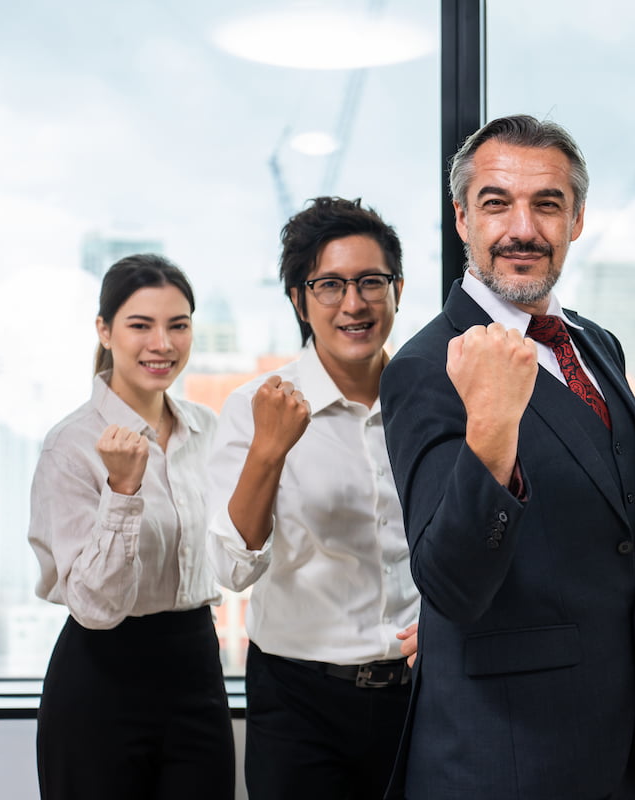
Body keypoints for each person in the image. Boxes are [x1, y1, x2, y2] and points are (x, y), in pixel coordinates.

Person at [379, 114, 635, 800]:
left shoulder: (596, 344)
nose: (522, 229)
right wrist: (492, 427)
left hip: (621, 737)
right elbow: (449, 582)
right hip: (503, 754)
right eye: (497, 203)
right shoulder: (425, 366)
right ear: (462, 219)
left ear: (577, 220)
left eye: (547, 204)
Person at [205, 196, 420, 799]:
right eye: (330, 285)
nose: (354, 304)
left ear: (397, 290)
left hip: (421, 693)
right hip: (301, 701)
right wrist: (269, 452)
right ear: (301, 300)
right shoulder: (256, 406)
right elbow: (231, 568)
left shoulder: (432, 401)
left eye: (371, 282)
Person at [29, 254, 234, 800]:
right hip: (101, 678)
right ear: (104, 329)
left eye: (178, 325)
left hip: (196, 666)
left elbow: (230, 552)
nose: (161, 344)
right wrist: (123, 493)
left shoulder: (206, 429)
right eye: (140, 325)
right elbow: (95, 608)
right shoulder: (70, 444)